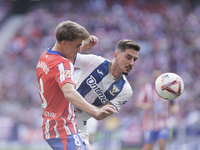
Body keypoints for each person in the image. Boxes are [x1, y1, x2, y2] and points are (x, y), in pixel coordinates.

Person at [36, 20, 117, 150]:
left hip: (57, 124)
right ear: (64, 44)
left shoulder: (44, 57)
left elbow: (59, 60)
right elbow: (69, 92)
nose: (79, 50)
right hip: (61, 128)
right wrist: (95, 111)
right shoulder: (63, 64)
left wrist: (80, 46)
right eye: (77, 46)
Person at [73, 39, 141, 150]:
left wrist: (78, 103)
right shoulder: (95, 62)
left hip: (80, 124)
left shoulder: (126, 90)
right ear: (115, 55)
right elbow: (63, 57)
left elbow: (100, 115)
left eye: (135, 59)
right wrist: (81, 48)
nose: (132, 63)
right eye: (128, 57)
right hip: (61, 114)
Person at [135, 69, 180, 150]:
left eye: (158, 75)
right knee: (149, 146)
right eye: (155, 75)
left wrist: (174, 109)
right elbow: (138, 103)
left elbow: (174, 104)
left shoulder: (168, 90)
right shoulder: (146, 88)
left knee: (162, 144)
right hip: (149, 123)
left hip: (163, 122)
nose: (156, 77)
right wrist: (146, 106)